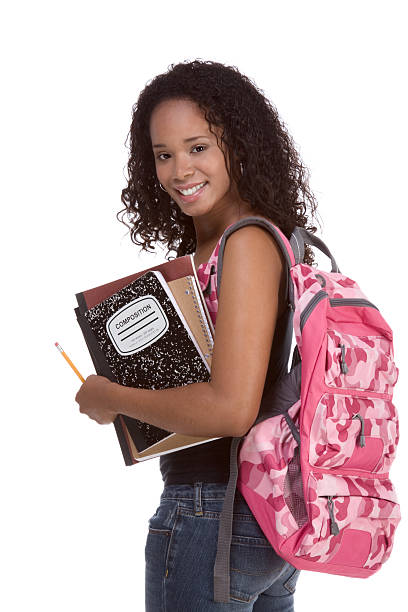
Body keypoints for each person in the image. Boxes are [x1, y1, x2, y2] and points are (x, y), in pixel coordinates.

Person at [75, 59, 320, 611]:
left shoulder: (247, 244)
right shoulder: (227, 248)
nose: (180, 169)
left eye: (198, 147)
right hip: (260, 518)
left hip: (213, 513)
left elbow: (232, 409)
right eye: (164, 155)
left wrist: (110, 398)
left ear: (238, 144)